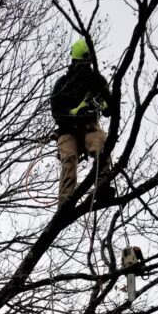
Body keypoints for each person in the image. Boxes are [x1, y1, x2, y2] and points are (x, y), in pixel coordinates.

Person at [50, 38, 114, 206]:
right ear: (74, 61)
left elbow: (107, 109)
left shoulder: (97, 81)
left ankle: (103, 187)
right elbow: (56, 111)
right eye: (80, 63)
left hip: (89, 128)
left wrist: (106, 103)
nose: (83, 67)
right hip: (67, 130)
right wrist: (73, 113)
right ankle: (65, 200)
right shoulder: (63, 83)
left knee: (100, 146)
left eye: (86, 64)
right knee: (69, 158)